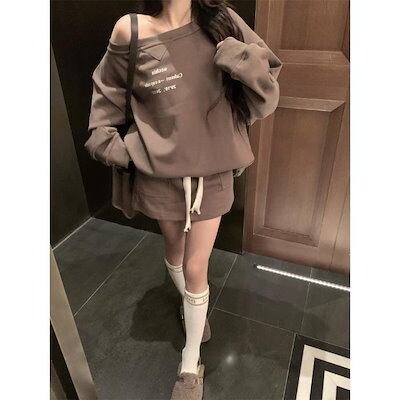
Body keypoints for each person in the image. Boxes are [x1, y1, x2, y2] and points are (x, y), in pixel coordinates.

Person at [85, 0, 282, 398]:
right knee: (174, 252)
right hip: (160, 176)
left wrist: (239, 59)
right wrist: (126, 154)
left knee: (196, 266)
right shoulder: (131, 30)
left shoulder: (221, 19)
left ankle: (190, 362)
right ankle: (189, 306)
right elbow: (106, 102)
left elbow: (268, 82)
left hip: (214, 171)